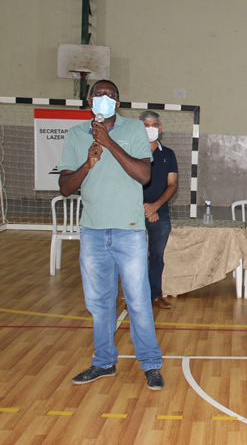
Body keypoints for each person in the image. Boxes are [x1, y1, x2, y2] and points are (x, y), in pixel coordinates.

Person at [58, 80, 165, 390]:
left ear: (118, 103)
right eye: (98, 94)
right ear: (89, 100)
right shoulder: (76, 134)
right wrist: (88, 163)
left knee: (138, 300)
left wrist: (108, 142)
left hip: (128, 230)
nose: (103, 98)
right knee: (99, 302)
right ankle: (104, 362)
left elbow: (144, 175)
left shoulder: (134, 130)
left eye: (109, 95)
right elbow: (65, 187)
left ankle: (151, 364)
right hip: (92, 230)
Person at [140, 110, 179, 310]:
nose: (150, 129)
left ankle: (155, 295)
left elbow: (172, 184)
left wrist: (154, 207)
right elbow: (125, 183)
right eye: (145, 126)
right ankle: (136, 298)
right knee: (133, 258)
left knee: (156, 256)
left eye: (154, 125)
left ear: (160, 128)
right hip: (133, 212)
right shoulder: (131, 152)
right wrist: (143, 208)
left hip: (160, 213)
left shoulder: (168, 154)